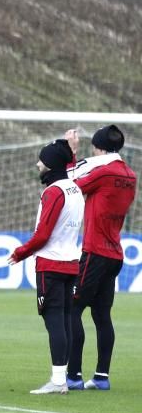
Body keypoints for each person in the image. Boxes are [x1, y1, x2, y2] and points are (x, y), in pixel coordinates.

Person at [7, 139, 84, 395]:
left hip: (51, 265)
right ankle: (64, 377)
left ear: (49, 164)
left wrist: (20, 252)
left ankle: (58, 380)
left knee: (54, 321)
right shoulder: (75, 189)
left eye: (41, 160)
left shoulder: (53, 192)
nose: (37, 164)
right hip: (71, 263)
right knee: (65, 320)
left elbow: (42, 235)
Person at [64, 125, 136, 391]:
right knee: (102, 314)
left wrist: (71, 153)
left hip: (94, 251)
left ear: (99, 148)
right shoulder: (129, 174)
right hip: (115, 252)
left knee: (73, 310)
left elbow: (69, 186)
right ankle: (102, 376)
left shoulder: (103, 172)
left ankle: (73, 376)